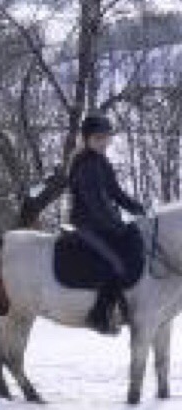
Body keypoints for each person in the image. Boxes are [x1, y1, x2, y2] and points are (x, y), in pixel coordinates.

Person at [65, 113, 148, 336]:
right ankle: (100, 314)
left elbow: (115, 193)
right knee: (116, 262)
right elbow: (96, 204)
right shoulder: (85, 164)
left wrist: (137, 208)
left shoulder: (102, 162)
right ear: (87, 139)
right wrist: (118, 225)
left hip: (102, 224)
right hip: (86, 225)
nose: (103, 142)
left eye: (106, 138)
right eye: (98, 138)